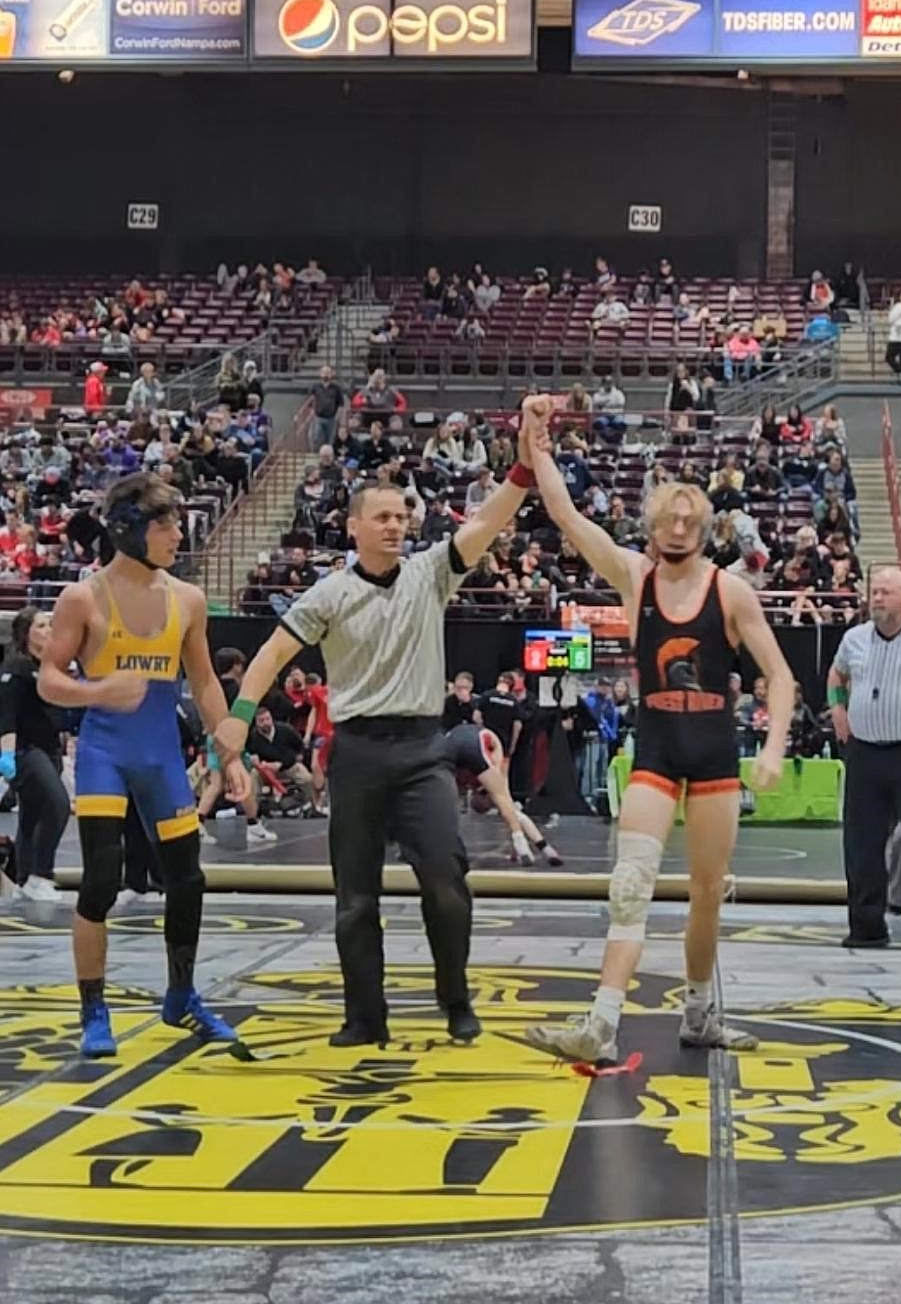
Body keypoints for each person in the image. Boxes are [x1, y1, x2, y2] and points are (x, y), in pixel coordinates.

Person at [213, 435, 542, 1047]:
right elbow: (273, 652)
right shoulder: (330, 593)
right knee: (355, 899)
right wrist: (238, 715)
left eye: (402, 516)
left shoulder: (431, 573)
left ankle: (455, 996)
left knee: (446, 880)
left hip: (422, 751)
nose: (397, 526)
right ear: (354, 525)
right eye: (384, 517)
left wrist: (524, 461)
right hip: (358, 754)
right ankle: (365, 1016)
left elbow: (492, 517)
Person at [520, 397, 793, 1064]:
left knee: (706, 897)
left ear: (702, 526)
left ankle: (698, 1014)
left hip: (714, 758)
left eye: (686, 519)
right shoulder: (634, 579)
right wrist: (536, 441)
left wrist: (776, 748)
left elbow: (781, 678)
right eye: (666, 518)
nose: (675, 527)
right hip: (657, 751)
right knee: (629, 883)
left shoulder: (729, 593)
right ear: (650, 523)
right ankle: (601, 1024)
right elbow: (565, 515)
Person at [38, 473, 251, 1058]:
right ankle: (93, 1010)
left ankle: (182, 995)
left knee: (188, 880)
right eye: (166, 525)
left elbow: (204, 681)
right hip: (106, 752)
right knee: (102, 880)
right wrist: (96, 693)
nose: (179, 535)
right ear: (129, 530)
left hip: (160, 755)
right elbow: (51, 679)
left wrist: (228, 752)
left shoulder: (187, 599)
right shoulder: (82, 598)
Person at [826, 567, 901, 951]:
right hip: (864, 753)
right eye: (874, 591)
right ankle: (866, 928)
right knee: (861, 846)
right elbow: (836, 675)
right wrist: (838, 710)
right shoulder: (854, 639)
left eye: (886, 592)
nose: (876, 598)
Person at [0, 607, 71, 902]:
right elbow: (7, 714)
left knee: (31, 816)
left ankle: (23, 880)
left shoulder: (53, 668)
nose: (49, 629)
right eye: (42, 625)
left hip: (50, 748)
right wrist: (7, 754)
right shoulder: (16, 668)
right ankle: (42, 873)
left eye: (51, 624)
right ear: (26, 633)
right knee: (58, 805)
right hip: (25, 750)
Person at [444, 722, 562, 868]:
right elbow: (511, 811)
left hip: (455, 745)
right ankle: (527, 846)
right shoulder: (482, 776)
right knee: (505, 802)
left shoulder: (464, 780)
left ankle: (531, 847)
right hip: (467, 743)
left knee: (503, 803)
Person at [197, 648, 276, 844]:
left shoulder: (213, 687)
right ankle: (199, 823)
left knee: (228, 783)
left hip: (214, 738)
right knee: (231, 783)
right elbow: (241, 719)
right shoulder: (236, 690)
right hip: (231, 742)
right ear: (237, 666)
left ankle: (251, 824)